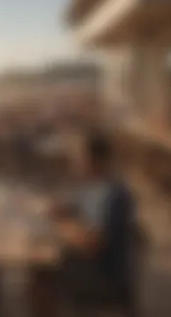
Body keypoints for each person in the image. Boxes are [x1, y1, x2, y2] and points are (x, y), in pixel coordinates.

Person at [56, 131, 138, 315]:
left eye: (80, 157)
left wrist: (66, 233)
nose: (76, 162)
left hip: (103, 272)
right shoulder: (89, 185)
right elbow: (66, 209)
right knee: (42, 271)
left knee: (43, 275)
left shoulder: (115, 195)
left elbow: (95, 243)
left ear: (95, 160)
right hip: (88, 258)